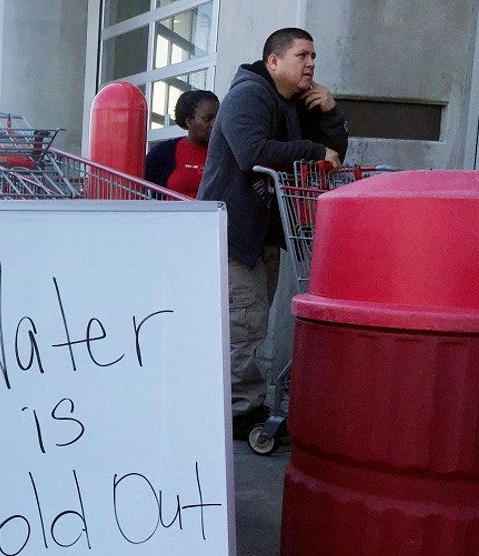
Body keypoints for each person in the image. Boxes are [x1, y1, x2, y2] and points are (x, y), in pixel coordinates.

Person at [197, 27, 348, 440]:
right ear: (274, 62)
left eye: (314, 56)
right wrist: (313, 151)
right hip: (234, 234)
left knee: (251, 325)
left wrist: (331, 114)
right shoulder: (249, 94)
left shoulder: (293, 104)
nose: (311, 63)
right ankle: (238, 414)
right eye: (302, 55)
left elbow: (333, 154)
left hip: (263, 235)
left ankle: (244, 404)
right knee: (242, 326)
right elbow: (252, 152)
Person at [145, 89, 220, 198]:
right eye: (207, 119)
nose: (214, 124)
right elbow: (134, 184)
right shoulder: (164, 152)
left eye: (217, 118)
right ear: (188, 121)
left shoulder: (223, 154)